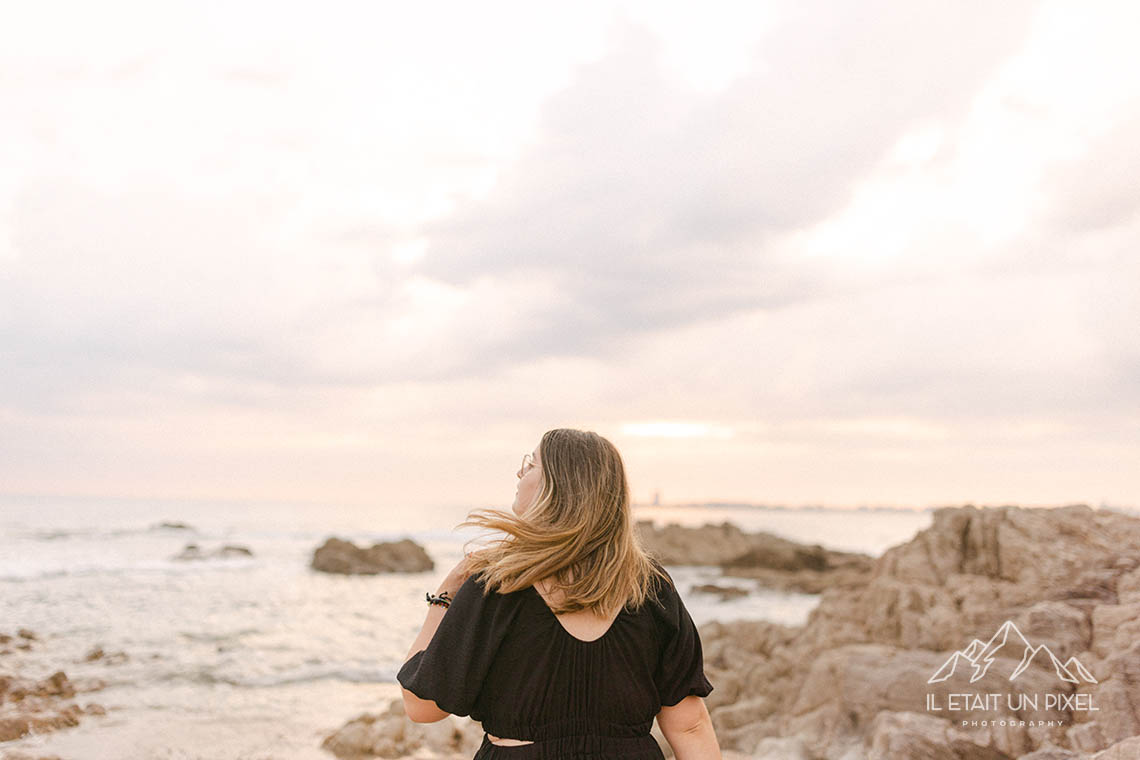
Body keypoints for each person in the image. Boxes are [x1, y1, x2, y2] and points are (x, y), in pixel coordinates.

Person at [398, 428, 722, 759]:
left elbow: (421, 706)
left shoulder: (498, 585)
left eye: (532, 464)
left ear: (557, 487)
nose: (520, 472)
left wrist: (443, 598)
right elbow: (689, 726)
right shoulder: (651, 588)